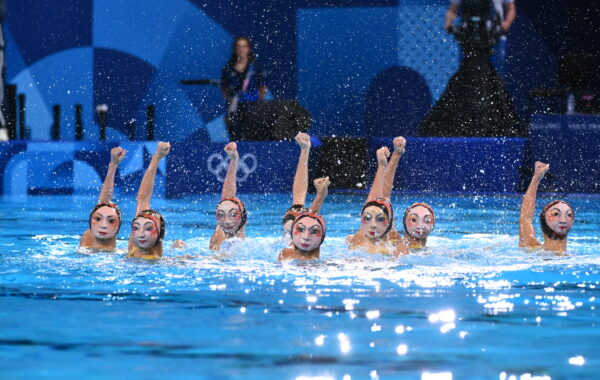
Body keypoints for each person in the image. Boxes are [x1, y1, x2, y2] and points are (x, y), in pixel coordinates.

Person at [347, 145, 408, 256]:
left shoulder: (398, 245)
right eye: (367, 218)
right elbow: (373, 202)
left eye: (380, 219)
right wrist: (383, 165)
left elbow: (381, 197)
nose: (373, 225)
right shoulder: (359, 238)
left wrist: (390, 160)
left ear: (390, 222)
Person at [379, 137, 436, 250]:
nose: (421, 225)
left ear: (433, 226)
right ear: (405, 223)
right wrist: (396, 155)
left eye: (427, 221)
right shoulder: (394, 239)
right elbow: (383, 197)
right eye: (414, 220)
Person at [444, 0, 516, 77]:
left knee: (497, 68)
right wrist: (448, 24)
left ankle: (497, 86)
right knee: (465, 68)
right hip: (468, 35)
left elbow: (511, 8)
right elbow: (452, 9)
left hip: (495, 35)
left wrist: (506, 23)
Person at [281, 132, 330, 242]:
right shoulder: (285, 253)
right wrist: (320, 195)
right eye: (295, 230)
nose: (305, 236)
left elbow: (309, 217)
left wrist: (321, 195)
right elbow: (306, 213)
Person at [519, 161, 575, 254]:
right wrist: (536, 178)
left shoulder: (531, 249)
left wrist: (536, 179)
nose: (563, 219)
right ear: (543, 222)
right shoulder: (577, 261)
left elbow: (525, 217)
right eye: (556, 213)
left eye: (568, 214)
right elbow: (526, 217)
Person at [128, 142, 170, 259]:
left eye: (149, 228)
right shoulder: (134, 247)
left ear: (159, 235)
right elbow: (143, 199)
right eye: (136, 228)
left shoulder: (160, 261)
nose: (141, 234)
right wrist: (157, 156)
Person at [79, 147, 126, 250]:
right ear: (91, 221)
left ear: (118, 227)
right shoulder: (90, 236)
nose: (103, 225)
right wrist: (113, 164)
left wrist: (114, 165)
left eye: (111, 221)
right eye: (98, 219)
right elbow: (103, 204)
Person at [220, 37, 267, 140]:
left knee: (253, 132)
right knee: (233, 130)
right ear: (235, 49)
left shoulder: (256, 67)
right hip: (234, 106)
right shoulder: (228, 68)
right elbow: (224, 87)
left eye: (244, 46)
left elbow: (263, 87)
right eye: (239, 46)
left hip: (253, 105)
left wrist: (257, 101)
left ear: (249, 49)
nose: (241, 49)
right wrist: (229, 99)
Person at [210, 142, 247, 251]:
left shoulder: (233, 241)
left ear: (244, 220)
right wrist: (234, 159)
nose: (227, 221)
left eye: (233, 214)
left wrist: (234, 159)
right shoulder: (222, 233)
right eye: (222, 215)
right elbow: (227, 199)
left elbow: (227, 198)